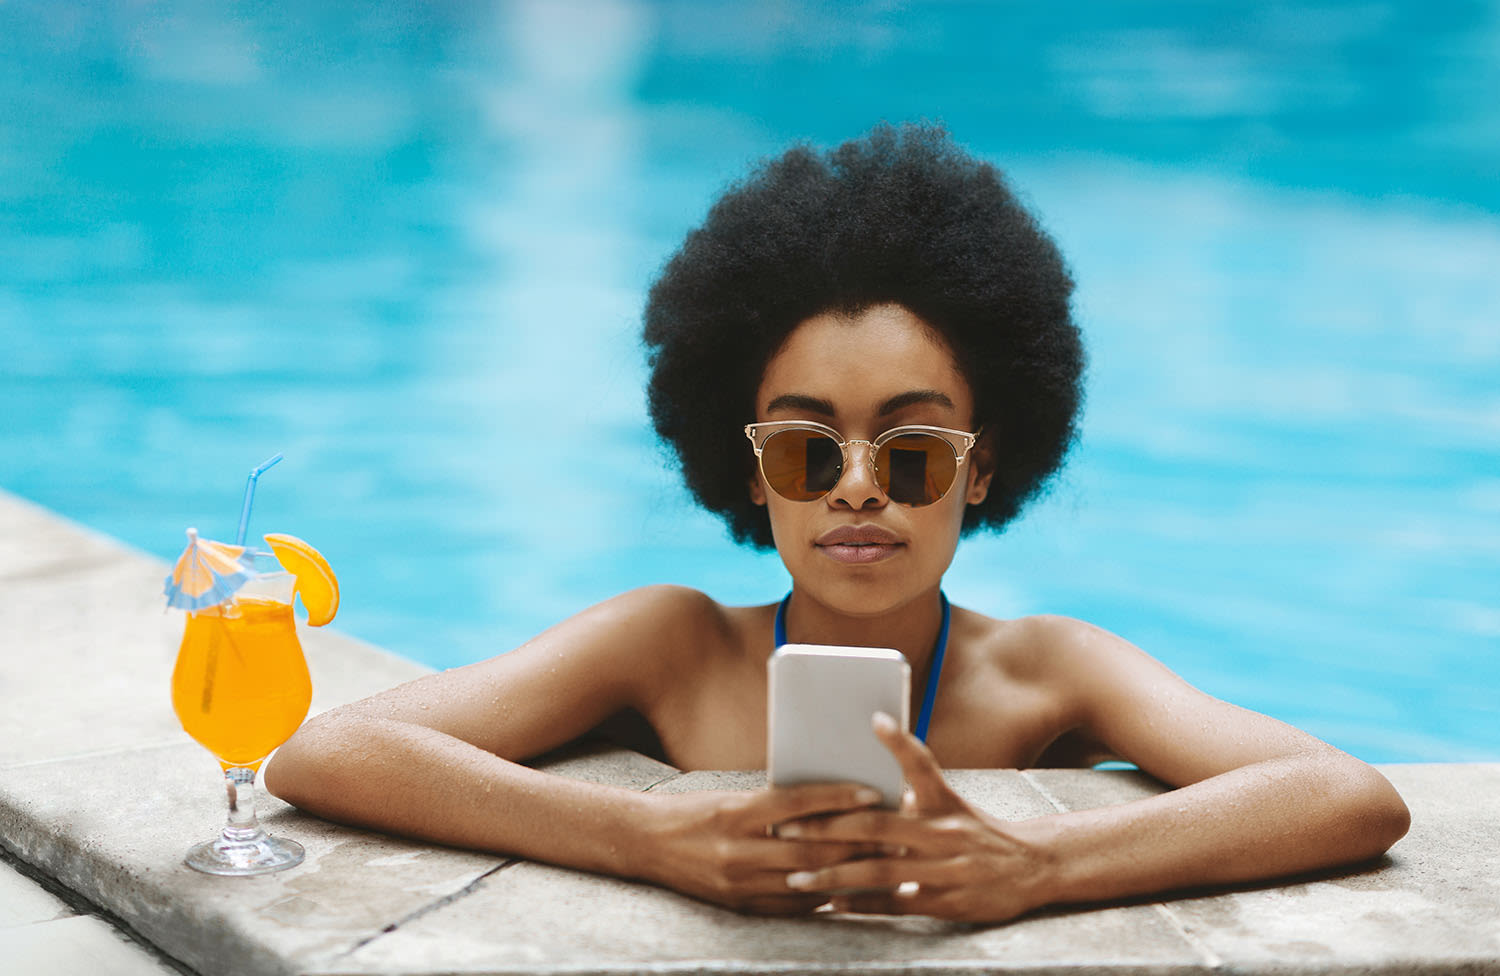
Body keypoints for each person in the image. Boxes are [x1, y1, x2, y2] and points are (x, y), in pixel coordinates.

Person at [265, 123, 1410, 923]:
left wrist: (1040, 863)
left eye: (910, 453)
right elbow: (329, 750)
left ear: (980, 469)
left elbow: (1346, 794)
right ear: (752, 470)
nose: (856, 488)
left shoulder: (1049, 669)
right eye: (810, 450)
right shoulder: (669, 642)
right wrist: (644, 838)